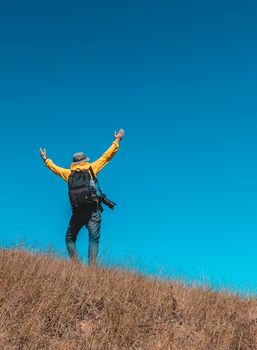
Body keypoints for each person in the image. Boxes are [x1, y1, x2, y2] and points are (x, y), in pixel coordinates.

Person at [39, 128, 125, 265]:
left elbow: (54, 168)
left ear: (74, 163)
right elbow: (107, 156)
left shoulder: (68, 174)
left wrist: (45, 159)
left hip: (78, 211)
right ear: (85, 160)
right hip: (93, 209)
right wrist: (118, 139)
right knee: (94, 239)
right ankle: (92, 269)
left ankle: (76, 266)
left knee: (69, 239)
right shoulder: (92, 168)